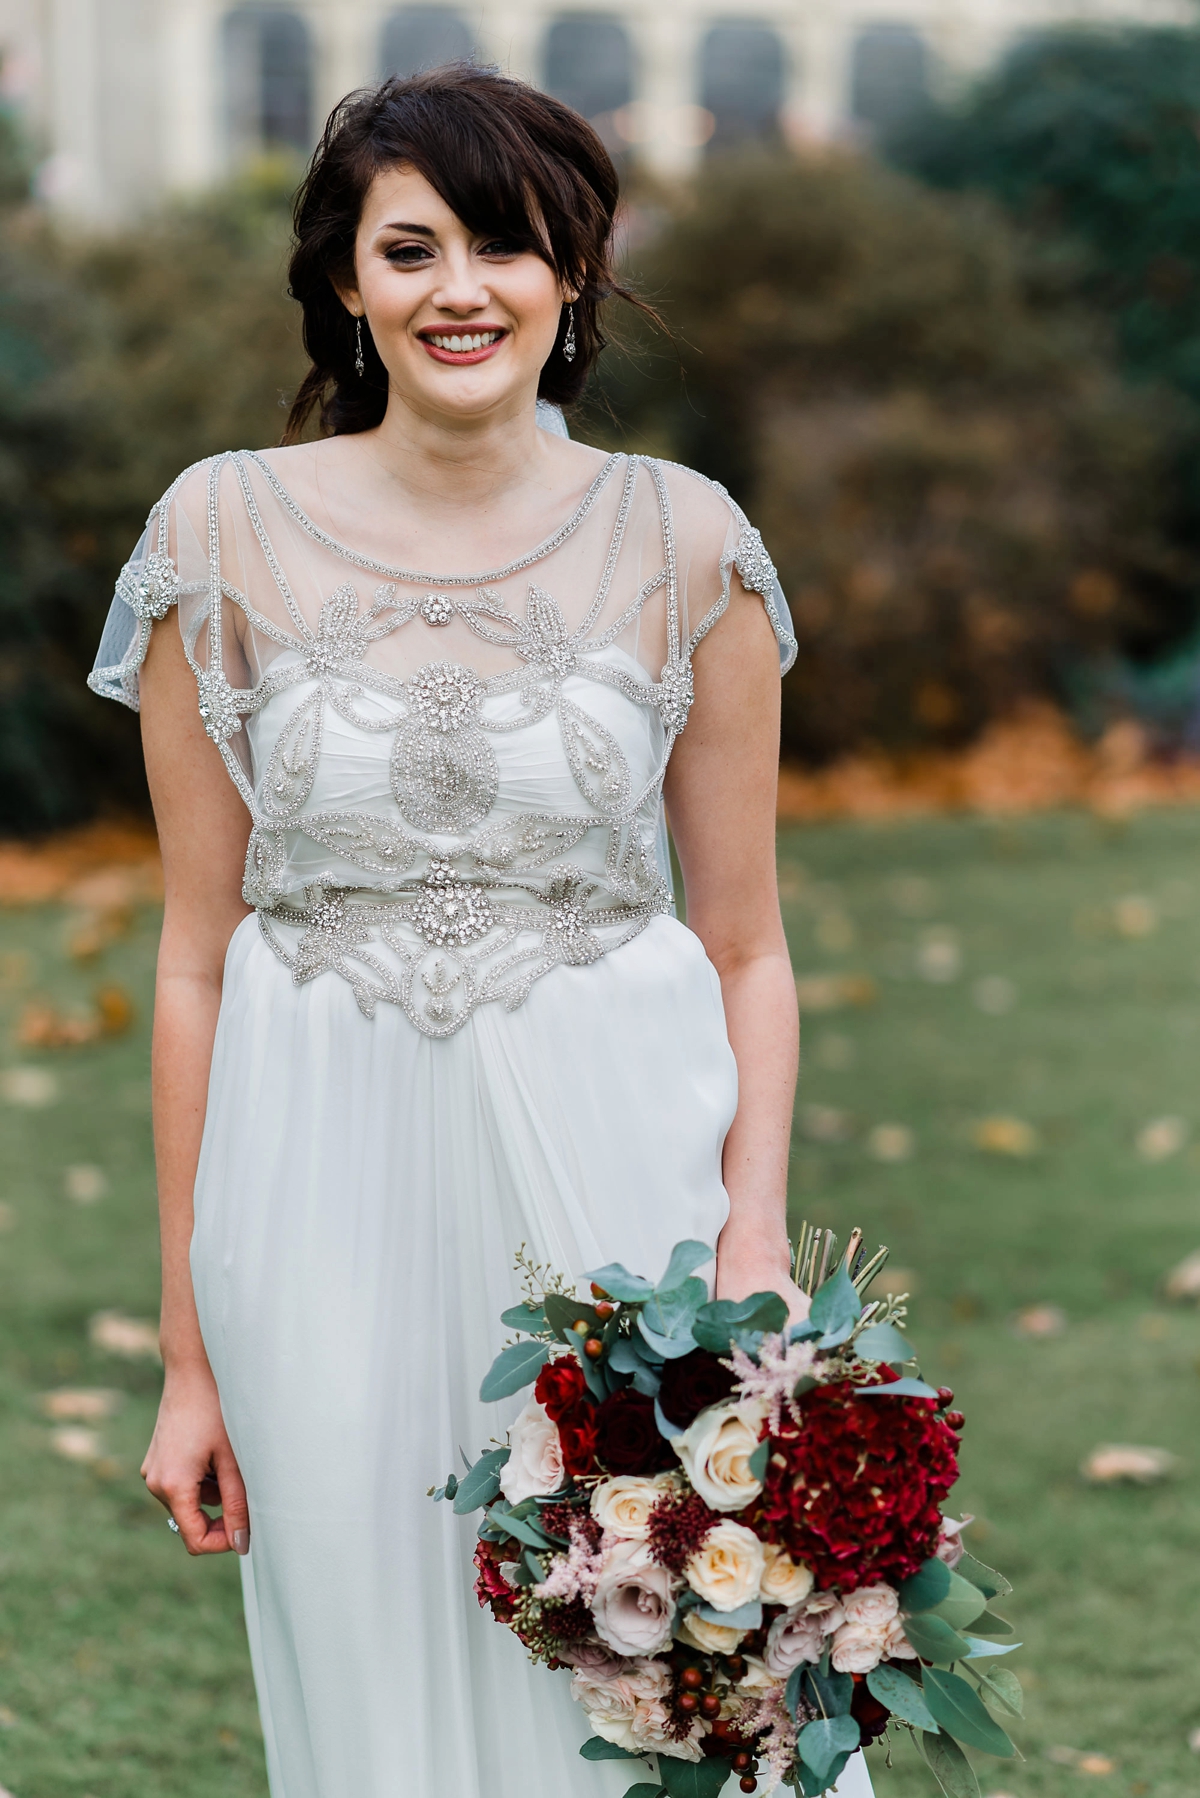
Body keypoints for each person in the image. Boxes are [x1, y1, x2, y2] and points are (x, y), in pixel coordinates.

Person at [89, 64, 872, 1798]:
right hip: (311, 1204)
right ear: (347, 282)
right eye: (412, 246)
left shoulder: (688, 542)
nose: (464, 288)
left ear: (573, 273)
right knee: (374, 1671)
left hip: (620, 1187)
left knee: (675, 1677)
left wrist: (748, 1243)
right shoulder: (215, 535)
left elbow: (745, 942)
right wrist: (189, 1353)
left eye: (509, 245)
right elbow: (195, 957)